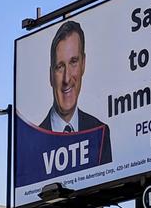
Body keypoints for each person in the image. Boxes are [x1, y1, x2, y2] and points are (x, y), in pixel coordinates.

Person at [39, 20, 112, 164]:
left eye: (73, 62)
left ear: (83, 64)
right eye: (60, 66)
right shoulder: (32, 143)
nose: (67, 78)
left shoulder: (100, 133)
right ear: (50, 75)